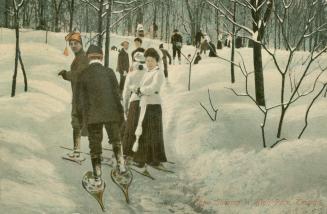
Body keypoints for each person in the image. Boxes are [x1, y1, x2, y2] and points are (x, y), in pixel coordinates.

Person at [79, 45, 127, 186]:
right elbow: (117, 94)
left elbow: (82, 100)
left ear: (88, 58)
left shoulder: (84, 74)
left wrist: (84, 120)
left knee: (95, 147)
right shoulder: (109, 72)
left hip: (93, 116)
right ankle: (121, 166)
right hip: (111, 113)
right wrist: (120, 115)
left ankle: (97, 176)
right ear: (101, 57)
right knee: (115, 140)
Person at [132, 48, 167, 168]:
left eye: (151, 61)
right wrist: (138, 89)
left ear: (156, 61)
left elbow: (154, 87)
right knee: (144, 131)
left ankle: (155, 159)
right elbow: (142, 86)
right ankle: (143, 157)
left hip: (154, 105)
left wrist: (141, 90)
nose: (149, 63)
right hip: (145, 103)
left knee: (154, 132)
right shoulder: (147, 72)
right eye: (147, 61)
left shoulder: (159, 72)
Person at [58, 32, 89, 158]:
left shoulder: (83, 57)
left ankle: (79, 151)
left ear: (81, 44)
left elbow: (79, 74)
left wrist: (66, 74)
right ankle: (77, 151)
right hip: (78, 94)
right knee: (78, 122)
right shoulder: (79, 57)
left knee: (78, 121)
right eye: (71, 44)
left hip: (82, 95)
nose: (73, 46)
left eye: (75, 43)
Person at [122, 52, 147, 161]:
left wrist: (125, 108)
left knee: (131, 127)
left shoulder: (131, 75)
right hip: (146, 104)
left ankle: (127, 153)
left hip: (134, 103)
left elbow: (126, 93)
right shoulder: (148, 74)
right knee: (143, 128)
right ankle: (142, 153)